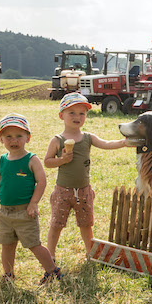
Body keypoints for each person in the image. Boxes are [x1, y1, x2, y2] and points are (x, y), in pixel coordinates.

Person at [44, 92, 127, 260]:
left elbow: (106, 144)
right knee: (56, 224)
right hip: (63, 191)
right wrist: (62, 160)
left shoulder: (88, 138)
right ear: (61, 116)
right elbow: (47, 162)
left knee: (86, 224)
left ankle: (90, 253)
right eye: (72, 113)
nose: (77, 117)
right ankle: (50, 255)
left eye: (82, 113)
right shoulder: (57, 140)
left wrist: (124, 142)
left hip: (83, 191)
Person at [0, 113, 62, 285]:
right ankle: (8, 274)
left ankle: (52, 271)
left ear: (28, 138)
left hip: (25, 212)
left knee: (34, 245)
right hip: (5, 213)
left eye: (19, 136)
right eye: (8, 136)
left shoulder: (31, 159)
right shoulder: (3, 160)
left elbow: (42, 181)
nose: (13, 140)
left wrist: (34, 203)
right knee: (7, 245)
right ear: (1, 139)